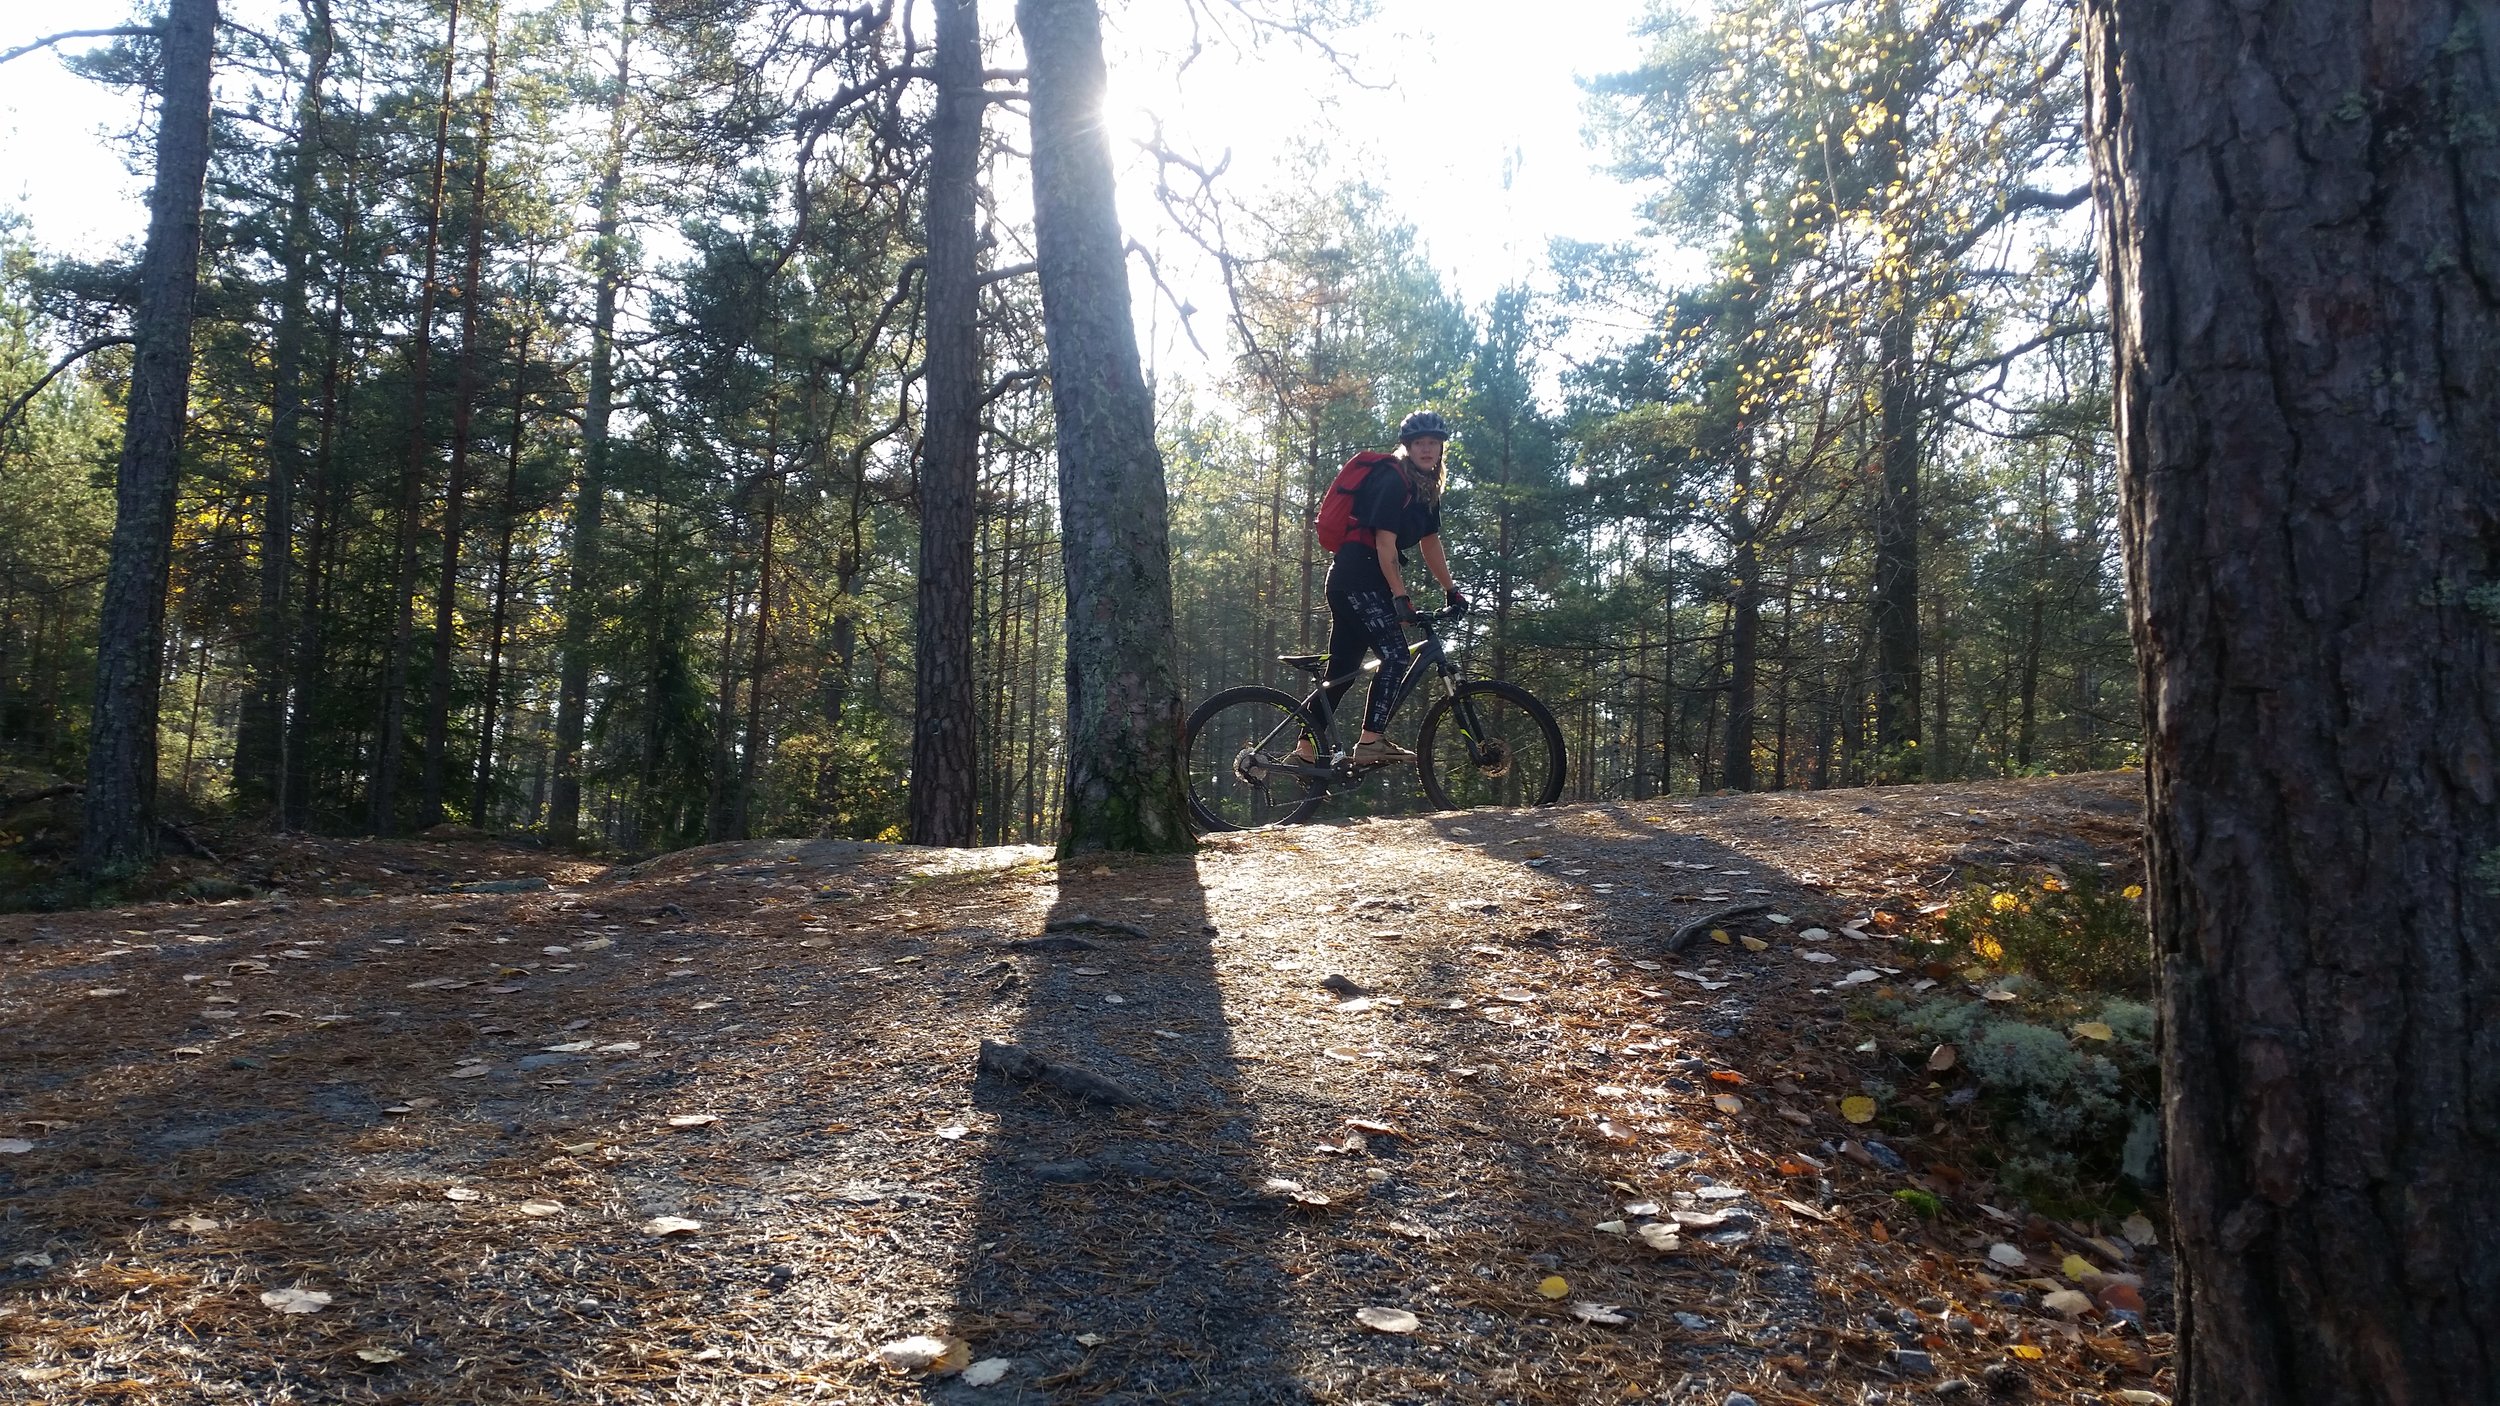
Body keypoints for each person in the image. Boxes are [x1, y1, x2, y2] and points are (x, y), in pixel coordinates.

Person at [1305, 411, 1469, 764]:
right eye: (1419, 443)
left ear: (1442, 449)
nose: (1427, 449)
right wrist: (1400, 596)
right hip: (1357, 580)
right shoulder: (1394, 480)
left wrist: (1451, 589)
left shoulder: (1426, 488)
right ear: (1407, 447)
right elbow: (1384, 544)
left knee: (1341, 673)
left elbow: (1430, 543)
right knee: (1395, 655)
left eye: (1433, 443)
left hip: (1358, 582)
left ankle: (1303, 750)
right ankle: (1370, 742)